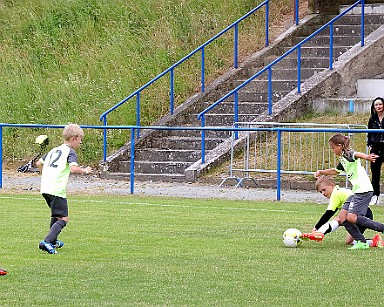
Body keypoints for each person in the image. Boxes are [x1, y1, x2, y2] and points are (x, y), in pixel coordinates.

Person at [313, 133, 384, 250]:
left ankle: (381, 228)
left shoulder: (347, 154)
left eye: (333, 148)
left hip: (364, 189)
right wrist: (321, 172)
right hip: (356, 190)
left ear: (340, 146)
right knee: (343, 216)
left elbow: (356, 154)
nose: (333, 150)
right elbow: (335, 171)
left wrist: (366, 157)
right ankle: (362, 242)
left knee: (351, 217)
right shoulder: (342, 158)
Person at [36, 124, 93, 254]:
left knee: (57, 215)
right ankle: (47, 241)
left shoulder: (53, 150)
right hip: (57, 189)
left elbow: (39, 163)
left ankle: (53, 240)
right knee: (63, 218)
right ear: (73, 138)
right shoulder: (70, 151)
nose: (80, 142)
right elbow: (73, 168)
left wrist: (45, 174)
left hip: (45, 187)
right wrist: (85, 170)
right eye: (80, 139)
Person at [301, 175, 382, 247]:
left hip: (361, 215)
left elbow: (329, 213)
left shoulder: (336, 194)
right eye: (320, 192)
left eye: (324, 190)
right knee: (349, 242)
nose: (323, 193)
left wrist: (317, 227)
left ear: (332, 185)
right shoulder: (339, 192)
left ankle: (319, 233)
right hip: (366, 214)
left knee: (339, 219)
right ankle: (374, 241)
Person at [367, 97, 384, 205]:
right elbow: (369, 133)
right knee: (375, 172)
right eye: (376, 105)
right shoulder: (372, 119)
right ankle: (375, 194)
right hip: (376, 147)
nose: (378, 106)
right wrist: (369, 144)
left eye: (380, 104)